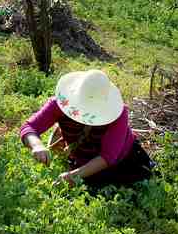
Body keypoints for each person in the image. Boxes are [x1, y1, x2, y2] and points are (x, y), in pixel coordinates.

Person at [20, 69, 153, 189]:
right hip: (84, 158)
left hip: (123, 160)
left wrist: (74, 175)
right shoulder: (60, 104)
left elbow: (108, 157)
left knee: (131, 188)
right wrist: (37, 145)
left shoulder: (118, 113)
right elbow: (30, 127)